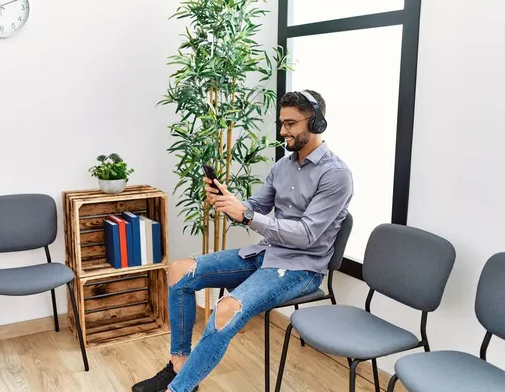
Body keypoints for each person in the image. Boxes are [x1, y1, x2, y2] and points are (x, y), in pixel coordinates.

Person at [132, 90, 353, 392]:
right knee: (179, 271)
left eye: (290, 124)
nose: (282, 131)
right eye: (281, 123)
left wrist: (247, 216)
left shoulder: (336, 175)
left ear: (315, 123)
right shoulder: (282, 167)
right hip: (267, 254)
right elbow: (257, 208)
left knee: (226, 309)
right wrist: (229, 203)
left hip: (301, 268)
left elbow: (307, 234)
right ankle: (178, 365)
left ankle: (177, 390)